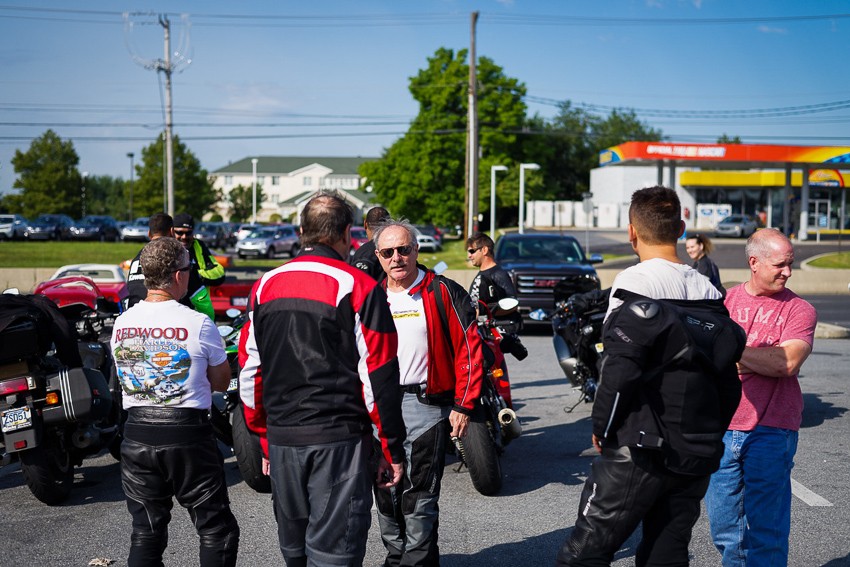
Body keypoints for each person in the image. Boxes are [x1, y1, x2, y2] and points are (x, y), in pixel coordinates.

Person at [557, 185, 741, 566]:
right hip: (695, 451)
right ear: (680, 230)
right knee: (666, 553)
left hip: (639, 448)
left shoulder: (633, 284)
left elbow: (620, 369)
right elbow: (728, 381)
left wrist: (602, 426)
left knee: (583, 554)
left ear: (632, 232)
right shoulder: (708, 290)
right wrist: (709, 434)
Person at [238, 192, 406, 567]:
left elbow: (249, 372)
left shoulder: (264, 285)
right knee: (334, 556)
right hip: (338, 442)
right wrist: (391, 448)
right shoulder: (359, 286)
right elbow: (379, 377)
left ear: (301, 232)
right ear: (347, 234)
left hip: (283, 439)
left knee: (295, 554)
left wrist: (263, 437)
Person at [110, 237, 239, 567]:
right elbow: (221, 382)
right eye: (189, 269)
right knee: (216, 530)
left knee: (146, 532)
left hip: (136, 432)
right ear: (178, 275)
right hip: (187, 434)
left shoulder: (122, 323)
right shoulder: (198, 322)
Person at [373, 219, 485, 566]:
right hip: (379, 407)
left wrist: (463, 405)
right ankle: (396, 557)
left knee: (419, 491)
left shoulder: (442, 291)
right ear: (378, 256)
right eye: (388, 252)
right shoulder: (369, 295)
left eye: (403, 249)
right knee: (385, 488)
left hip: (425, 406)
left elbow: (469, 348)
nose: (396, 257)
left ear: (416, 250)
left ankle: (417, 561)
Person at [705, 228, 817, 566]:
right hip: (722, 428)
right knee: (725, 530)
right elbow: (703, 359)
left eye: (790, 263)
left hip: (772, 429)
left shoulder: (800, 310)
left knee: (766, 531)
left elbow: (786, 363)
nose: (788, 272)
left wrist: (730, 352)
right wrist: (758, 359)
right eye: (780, 264)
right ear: (754, 262)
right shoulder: (723, 304)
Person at [126, 213, 215, 320]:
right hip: (166, 321)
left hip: (134, 318)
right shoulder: (175, 257)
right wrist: (209, 322)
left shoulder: (138, 258)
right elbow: (200, 298)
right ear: (172, 231)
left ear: (149, 233)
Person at [466, 231, 517, 312]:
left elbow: (513, 304)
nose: (469, 255)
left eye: (472, 251)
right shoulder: (482, 275)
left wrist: (489, 314)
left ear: (484, 250)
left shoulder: (498, 274)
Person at [173, 213, 226, 287]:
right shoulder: (166, 248)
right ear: (172, 232)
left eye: (188, 233)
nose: (184, 237)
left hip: (198, 294)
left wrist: (197, 275)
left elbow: (219, 274)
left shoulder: (199, 245)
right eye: (180, 233)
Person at [350, 205, 390, 280]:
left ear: (365, 224)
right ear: (389, 225)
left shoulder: (363, 253)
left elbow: (359, 284)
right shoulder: (402, 251)